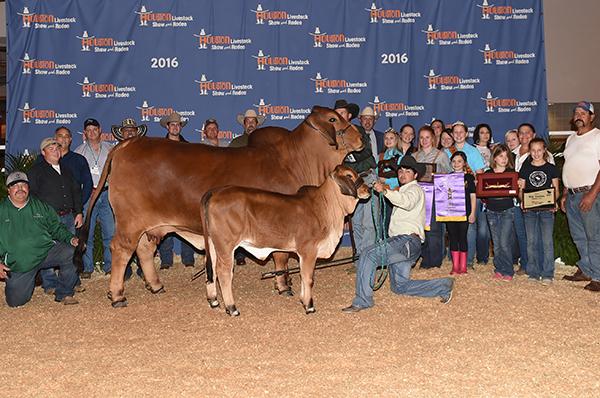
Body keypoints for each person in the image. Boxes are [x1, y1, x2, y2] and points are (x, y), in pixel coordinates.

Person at [342, 156, 454, 312]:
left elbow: (406, 202)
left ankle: (363, 301)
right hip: (406, 245)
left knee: (368, 255)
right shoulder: (404, 190)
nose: (402, 173)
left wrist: (386, 191)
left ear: (415, 175)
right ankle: (443, 285)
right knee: (400, 287)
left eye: (408, 171)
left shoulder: (415, 189)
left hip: (405, 241)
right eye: (400, 170)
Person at [0, 172, 80, 307]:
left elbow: (56, 227)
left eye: (23, 185)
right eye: (15, 185)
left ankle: (65, 292)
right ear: (8, 189)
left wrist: (71, 239)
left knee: (71, 251)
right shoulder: (1, 210)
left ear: (28, 188)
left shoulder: (41, 206)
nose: (20, 189)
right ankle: (30, 279)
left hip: (45, 253)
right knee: (15, 302)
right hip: (20, 263)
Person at [28, 137, 83, 293]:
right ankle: (50, 284)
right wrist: (39, 217)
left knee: (71, 250)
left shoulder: (66, 170)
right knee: (50, 250)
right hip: (48, 220)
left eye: (57, 148)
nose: (56, 151)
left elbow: (76, 191)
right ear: (43, 152)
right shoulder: (36, 171)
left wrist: (78, 212)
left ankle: (70, 282)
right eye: (51, 149)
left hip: (68, 216)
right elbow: (31, 196)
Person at [560, 101, 600, 291]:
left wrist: (592, 194)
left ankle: (598, 276)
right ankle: (587, 269)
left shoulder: (597, 136)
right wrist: (565, 194)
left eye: (584, 113)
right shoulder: (571, 139)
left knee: (594, 236)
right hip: (573, 194)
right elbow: (569, 166)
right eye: (576, 112)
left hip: (590, 192)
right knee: (579, 236)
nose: (579, 115)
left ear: (591, 117)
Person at [336, 99, 377, 256]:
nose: (340, 116)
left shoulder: (358, 130)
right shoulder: (332, 134)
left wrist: (349, 157)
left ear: (349, 115)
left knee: (368, 221)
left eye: (342, 113)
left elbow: (367, 152)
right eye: (337, 114)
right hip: (348, 181)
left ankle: (369, 258)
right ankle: (359, 258)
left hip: (365, 177)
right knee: (356, 221)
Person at [75, 118, 115, 278]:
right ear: (84, 133)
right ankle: (87, 267)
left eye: (94, 129)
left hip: (106, 193)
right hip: (88, 195)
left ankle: (110, 266)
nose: (92, 132)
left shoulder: (110, 149)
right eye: (88, 130)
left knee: (110, 232)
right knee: (87, 233)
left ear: (100, 130)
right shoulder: (79, 151)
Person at [158, 112, 197, 269]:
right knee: (165, 223)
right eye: (172, 124)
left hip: (183, 190)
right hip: (165, 190)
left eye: (178, 124)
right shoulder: (159, 147)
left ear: (181, 127)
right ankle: (166, 260)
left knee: (185, 224)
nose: (175, 127)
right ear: (167, 127)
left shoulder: (188, 146)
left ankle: (187, 259)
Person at [444, 121, 485, 268]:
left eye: (462, 132)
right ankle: (454, 261)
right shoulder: (446, 151)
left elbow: (480, 174)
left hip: (469, 195)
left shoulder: (473, 151)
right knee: (453, 231)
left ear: (466, 134)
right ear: (452, 134)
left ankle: (468, 262)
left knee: (470, 228)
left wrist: (472, 185)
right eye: (455, 132)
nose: (459, 135)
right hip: (451, 200)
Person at [519, 138, 559, 285]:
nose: (536, 153)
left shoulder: (551, 168)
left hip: (547, 210)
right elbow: (521, 189)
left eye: (539, 150)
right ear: (530, 151)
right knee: (531, 241)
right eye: (533, 150)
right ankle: (533, 273)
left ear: (544, 150)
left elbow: (556, 189)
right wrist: (522, 200)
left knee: (547, 242)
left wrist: (553, 201)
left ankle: (548, 273)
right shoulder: (525, 168)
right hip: (529, 210)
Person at [229, 109, 266, 265]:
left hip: (261, 186)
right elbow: (227, 165)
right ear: (243, 124)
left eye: (253, 122)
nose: (250, 124)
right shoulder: (236, 143)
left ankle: (263, 248)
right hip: (241, 186)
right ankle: (239, 253)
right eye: (247, 122)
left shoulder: (265, 143)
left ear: (257, 124)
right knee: (239, 220)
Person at [412, 125, 451, 269]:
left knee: (434, 229)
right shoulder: (415, 156)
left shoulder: (441, 155)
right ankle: (424, 257)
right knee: (420, 227)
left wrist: (438, 176)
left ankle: (435, 260)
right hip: (418, 196)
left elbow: (449, 175)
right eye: (421, 137)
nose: (424, 140)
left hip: (435, 196)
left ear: (433, 138)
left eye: (427, 137)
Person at [485, 144, 517, 281]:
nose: (503, 159)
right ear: (495, 158)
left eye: (506, 156)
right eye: (500, 156)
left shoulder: (511, 173)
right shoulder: (487, 174)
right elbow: (484, 193)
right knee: (496, 243)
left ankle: (508, 270)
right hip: (491, 211)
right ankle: (499, 269)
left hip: (507, 210)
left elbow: (516, 192)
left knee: (504, 242)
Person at [446, 152, 476, 274]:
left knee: (463, 237)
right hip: (450, 213)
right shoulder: (447, 177)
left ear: (464, 163)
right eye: (454, 161)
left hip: (464, 212)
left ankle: (463, 266)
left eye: (459, 161)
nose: (456, 164)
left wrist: (473, 213)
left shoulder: (469, 177)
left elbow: (473, 196)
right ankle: (455, 266)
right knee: (453, 237)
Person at [55, 126, 93, 205]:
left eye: (66, 136)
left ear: (70, 139)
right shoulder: (45, 159)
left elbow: (88, 183)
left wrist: (80, 203)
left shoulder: (79, 160)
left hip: (73, 207)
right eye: (60, 136)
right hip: (51, 208)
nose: (64, 139)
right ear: (55, 138)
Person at [472, 124, 493, 266]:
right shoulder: (472, 150)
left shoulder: (493, 150)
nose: (485, 135)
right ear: (477, 135)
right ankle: (473, 255)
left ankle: (483, 256)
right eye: (482, 132)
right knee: (476, 226)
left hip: (490, 192)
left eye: (487, 132)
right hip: (476, 192)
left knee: (485, 227)